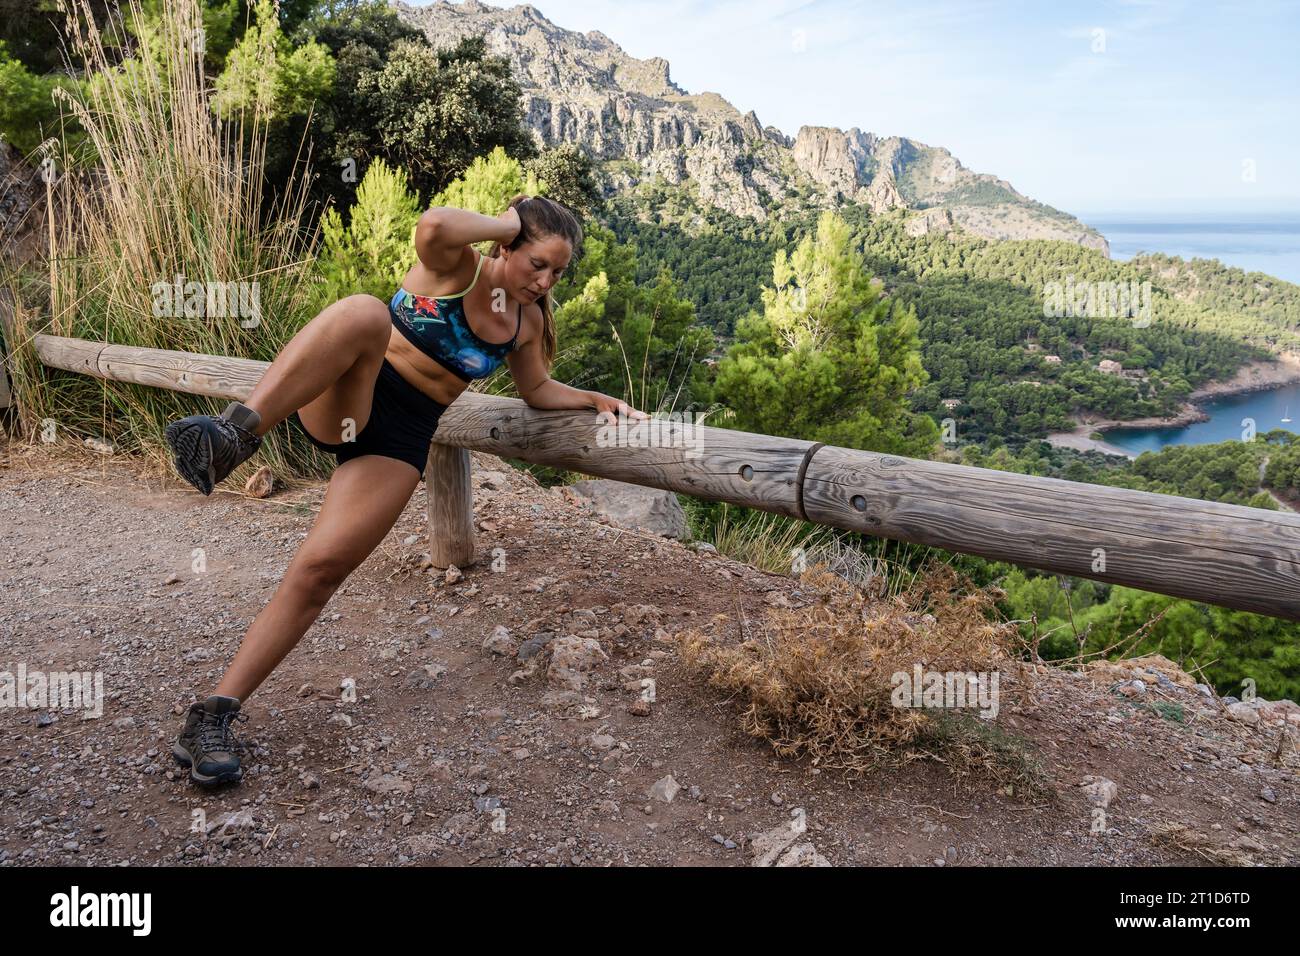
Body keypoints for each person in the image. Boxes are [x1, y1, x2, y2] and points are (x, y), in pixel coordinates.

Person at [162, 195, 647, 786]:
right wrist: (509, 220)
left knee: (319, 572)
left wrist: (594, 399)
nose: (544, 280)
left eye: (557, 272)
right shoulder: (455, 265)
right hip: (352, 392)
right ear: (505, 243)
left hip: (400, 439)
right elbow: (435, 223)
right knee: (366, 312)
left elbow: (538, 390)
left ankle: (212, 716)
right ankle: (234, 435)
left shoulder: (527, 322)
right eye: (536, 263)